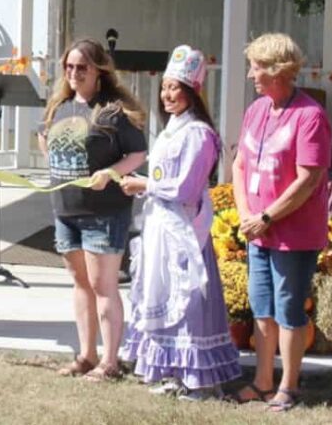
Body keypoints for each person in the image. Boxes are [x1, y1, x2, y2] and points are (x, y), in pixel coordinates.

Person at [119, 46, 241, 399]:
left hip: (185, 228)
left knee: (187, 300)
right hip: (162, 224)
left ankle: (199, 380)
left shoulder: (199, 134)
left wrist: (145, 184)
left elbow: (187, 187)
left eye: (176, 88)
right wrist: (143, 187)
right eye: (165, 88)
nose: (168, 95)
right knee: (163, 294)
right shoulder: (172, 130)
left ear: (193, 92)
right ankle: (173, 371)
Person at [229, 33, 330, 412]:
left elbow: (309, 179)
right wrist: (245, 216)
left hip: (294, 235)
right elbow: (239, 165)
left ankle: (289, 386)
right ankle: (262, 382)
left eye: (256, 67)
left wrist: (267, 216)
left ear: (277, 71)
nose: (251, 75)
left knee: (288, 308)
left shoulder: (309, 116)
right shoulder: (256, 110)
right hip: (258, 231)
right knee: (261, 307)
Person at [40, 38, 147, 381]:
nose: (73, 73)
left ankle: (110, 362)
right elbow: (45, 139)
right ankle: (86, 355)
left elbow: (138, 154)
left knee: (104, 286)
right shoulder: (61, 106)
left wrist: (111, 172)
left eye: (81, 67)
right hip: (66, 211)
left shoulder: (114, 110)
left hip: (105, 212)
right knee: (80, 283)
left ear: (99, 70)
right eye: (68, 67)